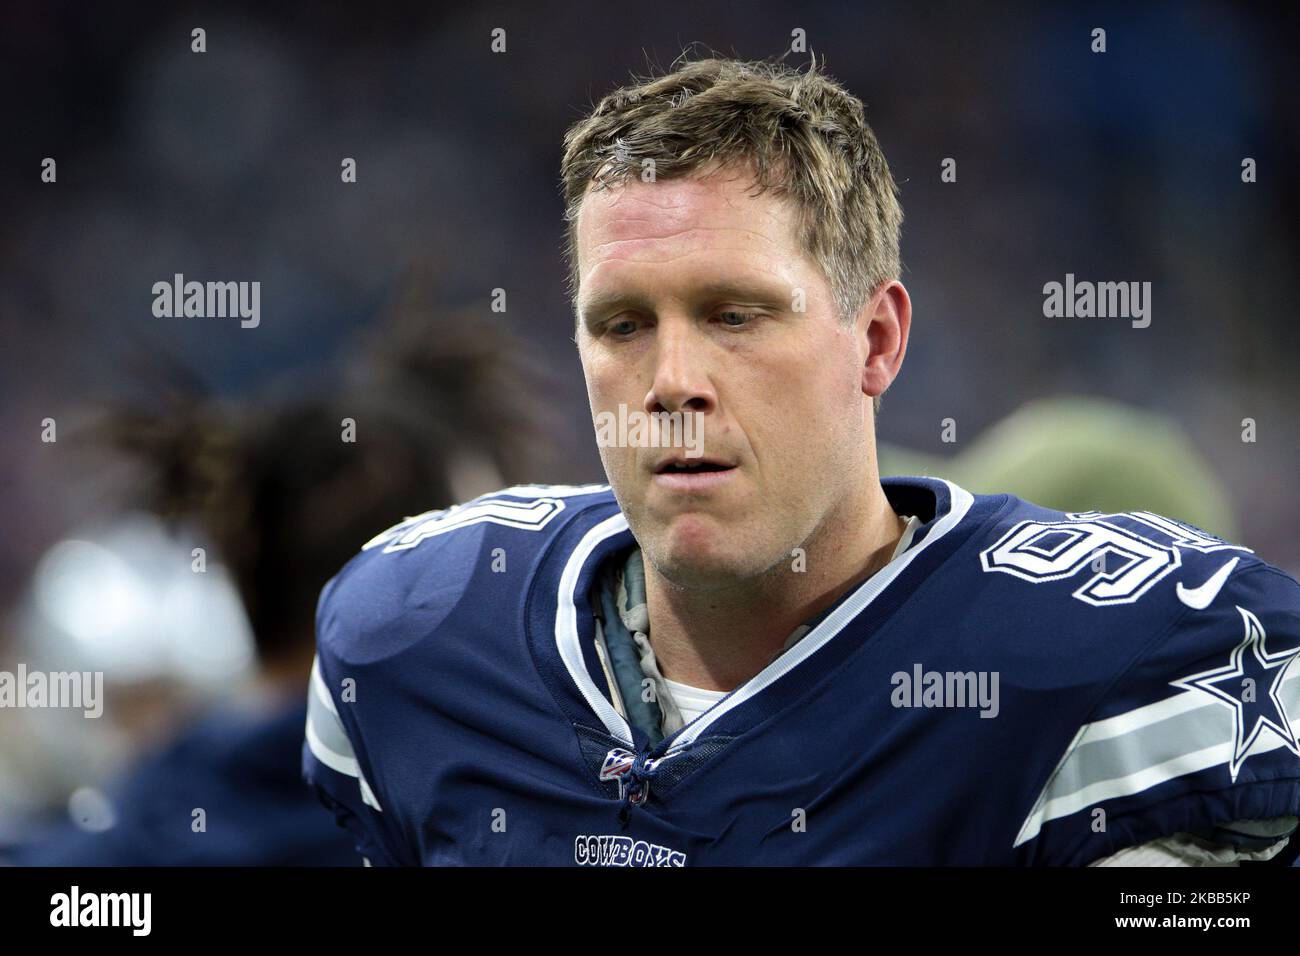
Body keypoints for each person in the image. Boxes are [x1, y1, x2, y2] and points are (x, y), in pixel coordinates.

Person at [304, 55, 1300, 865]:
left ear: (875, 341)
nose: (671, 380)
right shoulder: (419, 635)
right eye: (621, 323)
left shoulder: (1117, 666)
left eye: (734, 314)